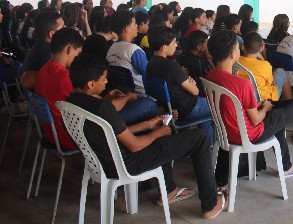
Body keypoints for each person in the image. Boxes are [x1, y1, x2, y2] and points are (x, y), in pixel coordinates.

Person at [67, 53, 227, 219]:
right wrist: (158, 132)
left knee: (156, 126)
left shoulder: (71, 101)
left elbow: (113, 133)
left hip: (105, 160)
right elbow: (134, 145)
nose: (106, 82)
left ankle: (169, 190)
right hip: (128, 163)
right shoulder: (103, 108)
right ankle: (210, 204)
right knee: (199, 138)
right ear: (91, 84)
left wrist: (149, 124)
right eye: (103, 79)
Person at [205, 30, 293, 178]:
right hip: (249, 134)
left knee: (276, 109)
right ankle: (286, 167)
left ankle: (286, 166)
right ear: (232, 54)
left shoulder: (210, 75)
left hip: (226, 132)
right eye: (237, 47)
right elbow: (255, 119)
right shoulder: (242, 84)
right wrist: (265, 108)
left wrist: (261, 104)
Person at [146, 26, 213, 143]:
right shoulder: (172, 66)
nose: (176, 45)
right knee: (218, 105)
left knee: (204, 118)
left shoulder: (150, 64)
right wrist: (192, 84)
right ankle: (217, 144)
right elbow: (195, 92)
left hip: (172, 108)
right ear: (164, 47)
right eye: (173, 43)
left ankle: (207, 142)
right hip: (188, 108)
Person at [34, 28, 83, 151]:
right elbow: (85, 104)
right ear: (69, 49)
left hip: (51, 135)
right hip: (69, 138)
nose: (77, 58)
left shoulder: (43, 70)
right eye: (78, 53)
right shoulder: (64, 77)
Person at [238, 32, 292, 101]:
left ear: (242, 46)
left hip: (244, 97)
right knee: (281, 71)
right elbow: (271, 83)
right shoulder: (265, 65)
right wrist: (262, 59)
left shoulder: (236, 61)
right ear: (262, 48)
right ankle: (290, 102)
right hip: (265, 100)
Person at [106, 10, 148, 95]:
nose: (137, 25)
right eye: (134, 23)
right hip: (141, 95)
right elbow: (149, 74)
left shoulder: (111, 48)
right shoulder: (133, 50)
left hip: (121, 94)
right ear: (126, 29)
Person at [20, 10, 65, 89]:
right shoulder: (49, 54)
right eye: (62, 28)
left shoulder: (39, 46)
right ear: (51, 34)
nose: (66, 30)